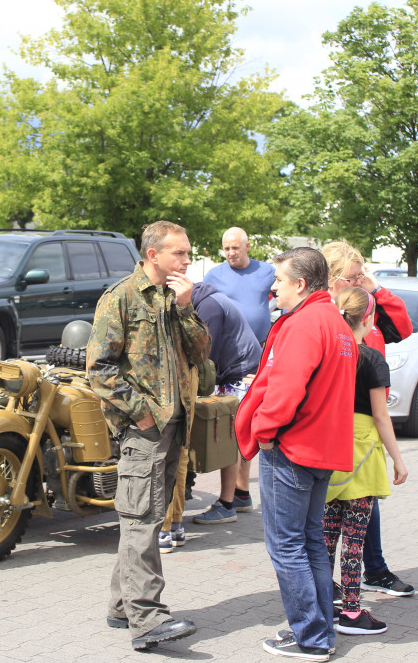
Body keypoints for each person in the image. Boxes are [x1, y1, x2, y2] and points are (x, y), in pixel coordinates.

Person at [86, 220, 210, 651]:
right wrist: (140, 417)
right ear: (153, 254)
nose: (187, 260)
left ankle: (122, 606)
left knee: (147, 518)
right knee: (141, 519)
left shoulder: (174, 299)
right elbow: (99, 371)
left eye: (188, 252)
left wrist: (186, 308)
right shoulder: (120, 298)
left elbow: (200, 352)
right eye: (179, 253)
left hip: (176, 426)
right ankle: (148, 619)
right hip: (144, 431)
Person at [235, 247, 356, 662]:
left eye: (280, 281)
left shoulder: (305, 323)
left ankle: (311, 637)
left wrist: (264, 432)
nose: (273, 287)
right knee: (310, 543)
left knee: (287, 546)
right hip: (321, 449)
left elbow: (286, 390)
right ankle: (320, 628)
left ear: (300, 284)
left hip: (293, 448)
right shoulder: (335, 322)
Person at [322, 239, 416, 598]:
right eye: (353, 277)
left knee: (363, 502)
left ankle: (371, 571)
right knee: (336, 514)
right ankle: (342, 588)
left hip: (366, 425)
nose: (359, 282)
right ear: (333, 279)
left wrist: (375, 287)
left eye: (362, 276)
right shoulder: (327, 318)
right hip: (343, 426)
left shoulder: (365, 308)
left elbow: (402, 328)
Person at [158, 282, 261, 552]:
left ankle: (227, 504)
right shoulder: (212, 299)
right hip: (240, 369)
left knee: (230, 435)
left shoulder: (208, 307)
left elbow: (203, 354)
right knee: (237, 436)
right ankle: (240, 495)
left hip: (238, 372)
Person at [200, 227, 275, 515]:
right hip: (230, 356)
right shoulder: (214, 277)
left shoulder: (266, 272)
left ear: (247, 247)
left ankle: (235, 496)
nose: (231, 253)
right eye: (226, 248)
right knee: (238, 427)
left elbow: (283, 295)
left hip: (255, 355)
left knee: (240, 428)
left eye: (236, 248)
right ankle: (240, 493)